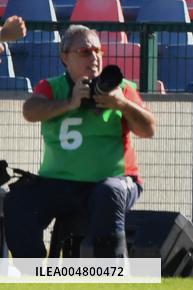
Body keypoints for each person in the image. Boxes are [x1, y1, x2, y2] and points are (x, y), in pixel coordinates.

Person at [3, 24, 156, 258]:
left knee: (108, 193)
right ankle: (33, 275)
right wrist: (69, 104)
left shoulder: (121, 89)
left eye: (98, 51)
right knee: (18, 201)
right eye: (85, 52)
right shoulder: (53, 87)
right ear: (65, 57)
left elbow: (148, 130)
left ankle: (110, 274)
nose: (94, 57)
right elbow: (30, 111)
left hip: (112, 181)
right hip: (57, 182)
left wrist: (122, 105)